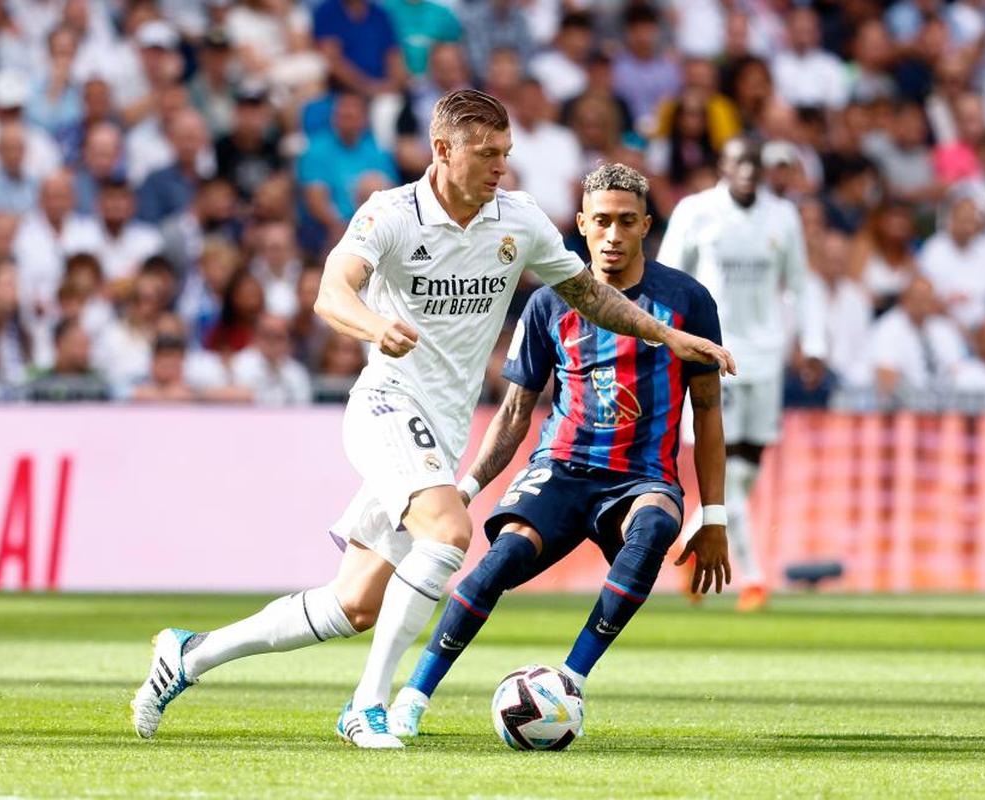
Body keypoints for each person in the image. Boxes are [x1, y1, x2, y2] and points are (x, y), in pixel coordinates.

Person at [130, 89, 734, 749]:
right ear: (443, 151)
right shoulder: (389, 215)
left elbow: (589, 295)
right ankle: (368, 706)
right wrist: (371, 326)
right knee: (449, 533)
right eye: (486, 153)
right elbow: (334, 290)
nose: (501, 165)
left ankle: (188, 655)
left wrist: (665, 337)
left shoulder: (519, 220)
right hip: (385, 405)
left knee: (351, 604)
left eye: (505, 152)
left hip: (437, 434)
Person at [387, 163, 730, 737]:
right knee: (499, 565)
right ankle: (412, 699)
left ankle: (567, 683)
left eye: (626, 222)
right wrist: (466, 490)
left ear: (647, 224)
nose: (614, 235)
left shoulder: (687, 301)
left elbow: (710, 410)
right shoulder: (549, 304)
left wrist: (714, 513)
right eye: (602, 222)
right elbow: (517, 412)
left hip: (640, 477)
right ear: (581, 225)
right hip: (562, 470)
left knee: (651, 531)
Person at [657, 136, 823, 612]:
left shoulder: (782, 216)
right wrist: (665, 340)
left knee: (743, 474)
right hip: (712, 356)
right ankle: (753, 578)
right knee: (725, 471)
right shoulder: (695, 212)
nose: (747, 172)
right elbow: (668, 276)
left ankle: (692, 540)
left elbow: (799, 283)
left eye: (754, 164)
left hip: (766, 357)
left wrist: (812, 344)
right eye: (738, 163)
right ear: (723, 168)